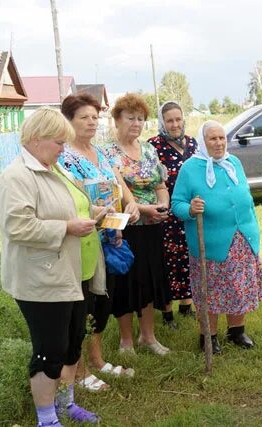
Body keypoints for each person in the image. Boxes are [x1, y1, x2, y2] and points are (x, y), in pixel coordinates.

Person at [0, 108, 105, 425]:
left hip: (71, 273)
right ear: (36, 138)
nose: (62, 149)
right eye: (58, 142)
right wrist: (67, 228)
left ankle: (65, 403)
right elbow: (17, 227)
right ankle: (46, 417)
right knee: (49, 351)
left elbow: (69, 205)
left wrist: (96, 212)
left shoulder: (54, 168)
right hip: (40, 279)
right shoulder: (16, 176)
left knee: (71, 343)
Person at [58, 92, 140, 390]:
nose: (92, 122)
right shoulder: (64, 157)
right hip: (84, 241)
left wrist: (130, 204)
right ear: (68, 121)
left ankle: (97, 360)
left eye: (95, 116)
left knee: (103, 304)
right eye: (84, 117)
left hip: (112, 237)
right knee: (83, 308)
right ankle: (78, 372)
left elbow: (119, 184)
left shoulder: (101, 152)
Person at [171, 120, 262, 354]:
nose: (219, 143)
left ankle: (236, 330)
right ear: (203, 142)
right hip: (211, 243)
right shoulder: (190, 168)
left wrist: (253, 228)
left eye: (222, 138)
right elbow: (176, 204)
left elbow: (246, 197)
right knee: (210, 291)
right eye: (213, 138)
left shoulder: (234, 162)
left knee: (239, 287)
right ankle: (208, 336)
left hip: (243, 238)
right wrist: (191, 209)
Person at [103, 93, 170, 356]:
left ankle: (149, 337)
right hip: (125, 227)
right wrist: (145, 209)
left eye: (141, 119)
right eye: (131, 118)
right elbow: (116, 191)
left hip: (152, 226)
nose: (137, 123)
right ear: (117, 120)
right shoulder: (108, 153)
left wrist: (163, 206)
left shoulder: (150, 150)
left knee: (150, 281)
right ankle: (126, 341)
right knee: (126, 283)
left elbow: (160, 185)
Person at [147, 101, 198, 329]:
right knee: (168, 262)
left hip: (188, 212)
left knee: (189, 257)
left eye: (178, 119)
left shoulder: (193, 143)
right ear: (162, 123)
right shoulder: (153, 146)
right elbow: (149, 181)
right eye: (170, 120)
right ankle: (167, 314)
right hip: (166, 214)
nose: (175, 124)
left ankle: (187, 305)